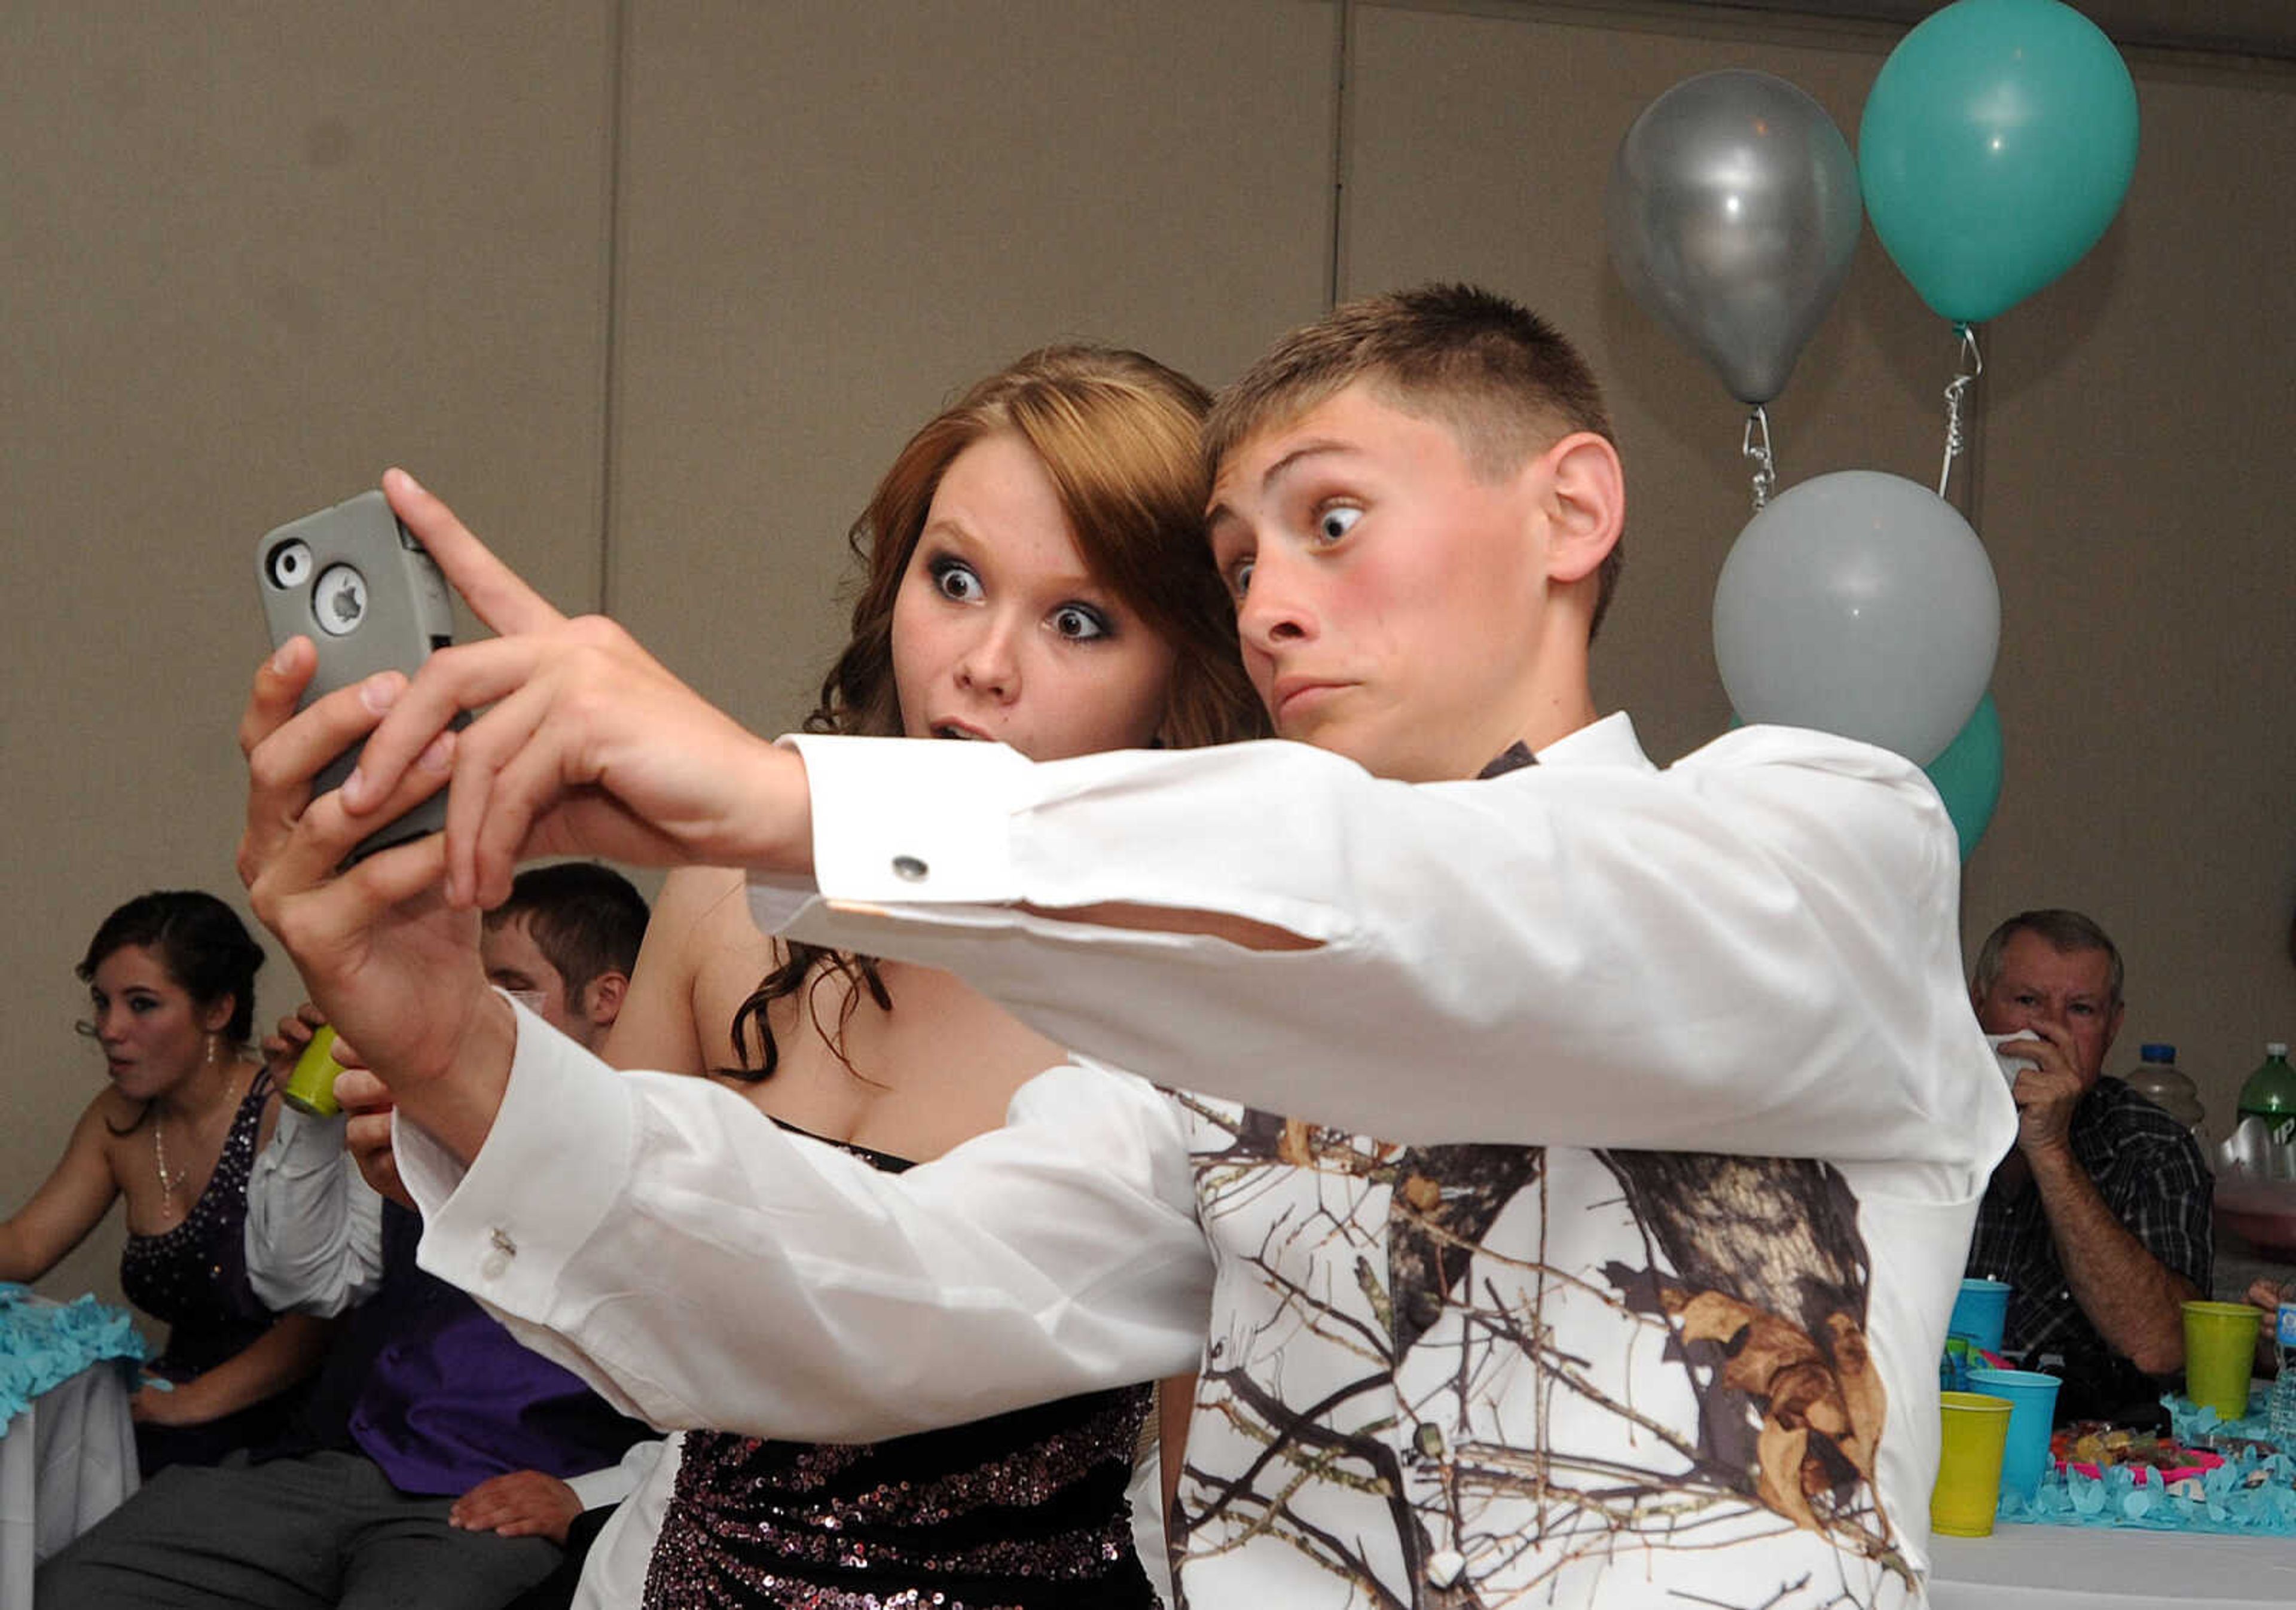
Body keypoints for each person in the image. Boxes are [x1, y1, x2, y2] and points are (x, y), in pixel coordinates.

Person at [237, 285, 2016, 1609]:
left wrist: (792, 805)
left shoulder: (1818, 837)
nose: (1273, 602)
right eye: (1236, 560)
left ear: (1567, 512)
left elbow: (1464, 923)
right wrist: (463, 1043)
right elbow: (871, 1295)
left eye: (1330, 521)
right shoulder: (1207, 1052)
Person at [475, 347, 1260, 1606]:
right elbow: (620, 1308)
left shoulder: (1189, 987)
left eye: (1080, 618)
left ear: (1182, 670)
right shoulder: (727, 896)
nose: (984, 661)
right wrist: (465, 1106)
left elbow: (1200, 1497)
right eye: (954, 579)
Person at [35, 865, 658, 1610]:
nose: (477, 1009)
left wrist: (584, 1495)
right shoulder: (418, 1118)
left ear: (606, 998)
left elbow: (729, 1413)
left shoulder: (665, 1161)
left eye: (509, 983)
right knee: (79, 1585)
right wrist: (308, 1115)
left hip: (497, 1493)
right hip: (345, 1464)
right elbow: (300, 1284)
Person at [0, 890, 331, 1475]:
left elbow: (324, 1320)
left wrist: (189, 1403)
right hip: (168, 1408)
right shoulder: (119, 1117)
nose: (109, 1028)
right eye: (102, 1003)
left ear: (218, 1009)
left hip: (295, 1424)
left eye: (142, 1004)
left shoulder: (283, 1109)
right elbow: (25, 1247)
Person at [1964, 909, 2212, 1416]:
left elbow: (2164, 1348)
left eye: (2080, 1009)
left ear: (2113, 1026)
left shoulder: (2154, 1148)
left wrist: (2052, 1150)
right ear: (1977, 1003)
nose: (2049, 1029)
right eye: (2027, 1000)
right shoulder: (1908, 1128)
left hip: (2089, 1456)